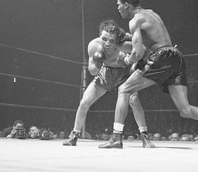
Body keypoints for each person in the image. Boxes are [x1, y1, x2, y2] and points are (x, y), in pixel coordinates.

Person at [99, 0, 198, 152]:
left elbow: (138, 52)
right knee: (185, 109)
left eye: (119, 4)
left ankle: (116, 137)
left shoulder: (135, 21)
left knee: (124, 89)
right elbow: (146, 46)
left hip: (162, 56)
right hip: (176, 56)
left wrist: (126, 59)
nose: (117, 8)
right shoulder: (151, 13)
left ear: (127, 4)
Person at [63, 19, 155, 148]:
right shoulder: (93, 46)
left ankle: (144, 136)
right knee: (84, 102)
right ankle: (74, 135)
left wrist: (130, 61)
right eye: (104, 39)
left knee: (134, 100)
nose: (107, 43)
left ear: (117, 39)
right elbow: (92, 71)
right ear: (100, 34)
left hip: (124, 73)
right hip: (106, 72)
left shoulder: (124, 43)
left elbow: (142, 50)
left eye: (111, 40)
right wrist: (98, 63)